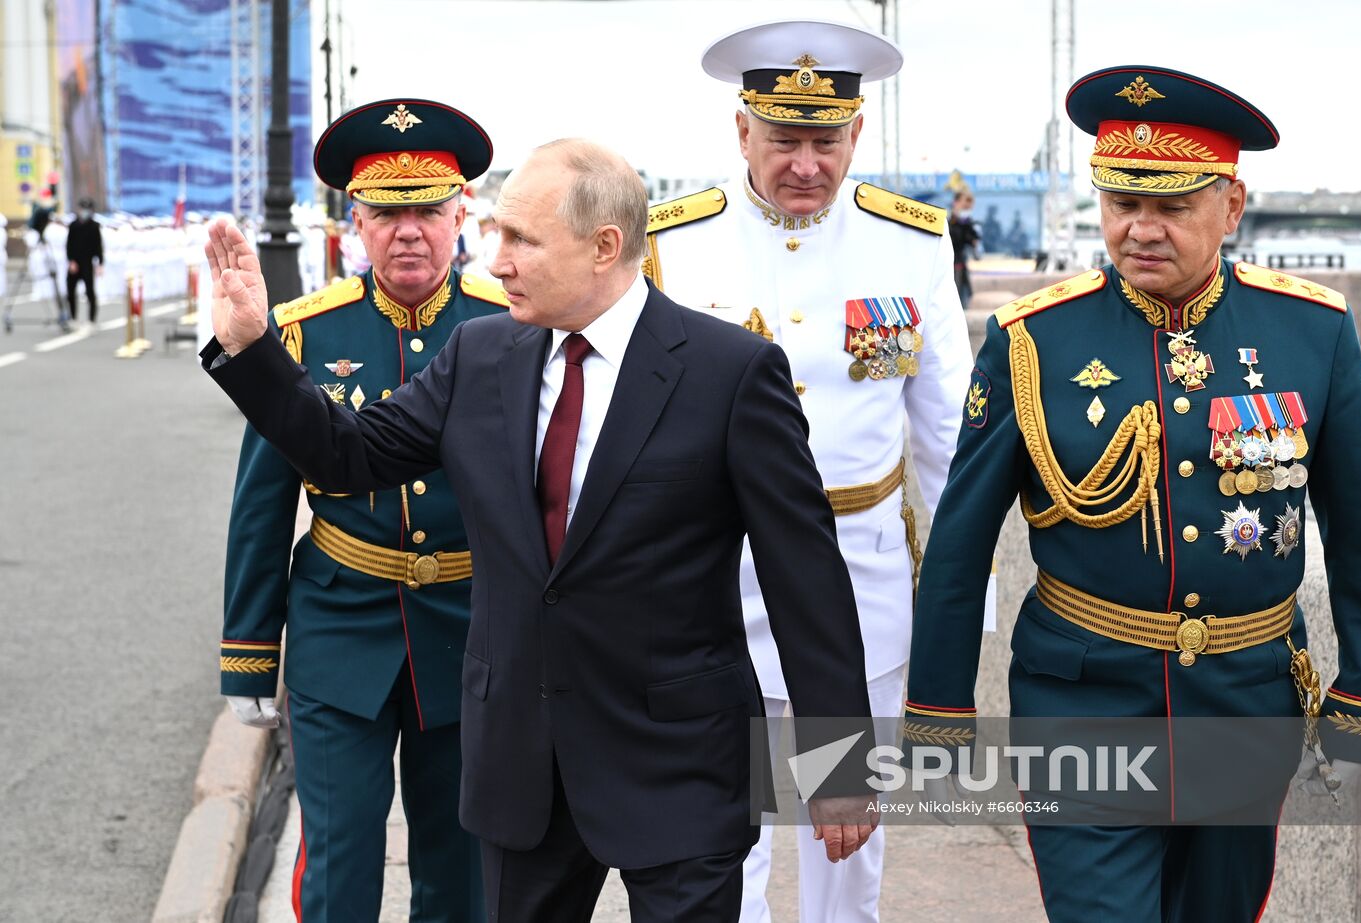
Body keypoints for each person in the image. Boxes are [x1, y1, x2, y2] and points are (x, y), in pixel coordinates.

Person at [203, 137, 878, 923]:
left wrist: (838, 763)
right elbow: (347, 454)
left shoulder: (731, 372)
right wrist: (253, 350)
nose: (497, 259)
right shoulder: (480, 353)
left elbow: (806, 578)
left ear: (604, 247)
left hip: (678, 765)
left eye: (521, 239)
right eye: (496, 234)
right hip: (523, 767)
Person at [903, 64, 1361, 921]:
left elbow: (1357, 533)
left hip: (1246, 701)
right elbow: (958, 540)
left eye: (1171, 207)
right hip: (1082, 700)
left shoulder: (1310, 332)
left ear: (1231, 206)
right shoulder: (1035, 340)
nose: (1141, 230)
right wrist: (939, 711)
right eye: (1121, 204)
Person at [642, 20, 978, 922]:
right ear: (741, 132)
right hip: (715, 583)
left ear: (857, 135)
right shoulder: (674, 244)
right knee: (724, 838)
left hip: (858, 586)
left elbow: (949, 436)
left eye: (825, 141)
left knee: (846, 841)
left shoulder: (910, 244)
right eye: (783, 140)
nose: (805, 164)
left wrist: (958, 601)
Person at [217, 98, 505, 922]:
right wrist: (247, 649)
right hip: (340, 627)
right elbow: (261, 504)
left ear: (462, 216)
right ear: (355, 225)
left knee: (461, 874)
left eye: (427, 211)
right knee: (339, 869)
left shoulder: (509, 327)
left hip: (470, 626)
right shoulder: (303, 336)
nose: (408, 230)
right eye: (387, 213)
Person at [66, 198, 104, 327]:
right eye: (83, 209)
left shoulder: (94, 226)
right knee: (70, 291)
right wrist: (71, 261)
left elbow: (98, 247)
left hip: (88, 262)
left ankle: (91, 319)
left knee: (90, 292)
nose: (84, 212)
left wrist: (100, 264)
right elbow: (69, 245)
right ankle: (73, 317)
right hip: (75, 262)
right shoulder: (74, 225)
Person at [949, 190, 979, 308]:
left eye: (968, 208)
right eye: (964, 207)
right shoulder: (948, 222)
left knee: (966, 296)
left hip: (962, 263)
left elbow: (973, 240)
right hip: (953, 265)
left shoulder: (968, 223)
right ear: (955, 203)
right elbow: (954, 239)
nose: (966, 210)